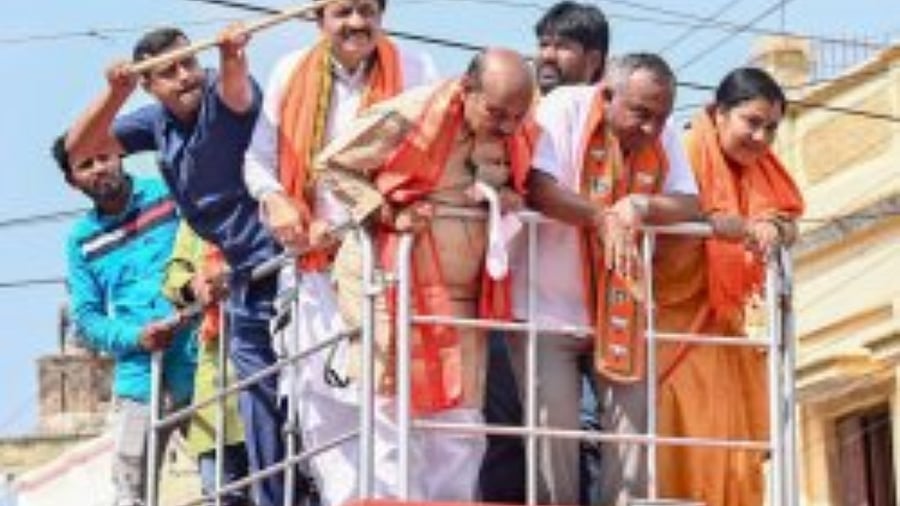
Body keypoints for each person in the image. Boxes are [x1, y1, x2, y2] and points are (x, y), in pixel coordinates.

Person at [61, 25, 293, 506]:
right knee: (258, 398)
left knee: (280, 393)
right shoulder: (153, 124)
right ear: (150, 86)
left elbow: (237, 92)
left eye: (190, 62)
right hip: (184, 330)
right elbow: (79, 147)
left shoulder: (218, 96)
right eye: (169, 71)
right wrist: (115, 91)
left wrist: (232, 57)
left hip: (275, 264)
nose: (187, 76)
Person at [241, 1, 438, 504]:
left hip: (388, 262)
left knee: (390, 398)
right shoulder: (290, 71)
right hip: (312, 266)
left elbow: (431, 162)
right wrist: (277, 199)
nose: (356, 23)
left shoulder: (417, 70)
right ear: (319, 18)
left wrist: (362, 218)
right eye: (343, 11)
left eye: (367, 10)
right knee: (320, 404)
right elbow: (257, 161)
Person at [316, 47, 534, 501]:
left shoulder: (514, 129)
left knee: (462, 416)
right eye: (498, 114)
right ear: (467, 90)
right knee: (394, 410)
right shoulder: (411, 115)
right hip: (391, 286)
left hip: (465, 295)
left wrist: (508, 194)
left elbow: (510, 177)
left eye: (518, 116)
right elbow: (332, 165)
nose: (509, 127)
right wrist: (386, 211)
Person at [513, 53, 700, 505]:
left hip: (623, 309)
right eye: (641, 114)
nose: (652, 129)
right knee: (551, 441)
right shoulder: (564, 107)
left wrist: (641, 205)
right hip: (545, 307)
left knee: (633, 441)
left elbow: (690, 203)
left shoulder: (662, 128)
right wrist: (601, 218)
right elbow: (538, 185)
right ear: (608, 95)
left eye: (661, 116)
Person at [654, 67, 804, 506]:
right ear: (718, 114)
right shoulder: (681, 153)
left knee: (733, 456)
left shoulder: (761, 168)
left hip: (724, 333)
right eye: (751, 122)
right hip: (671, 329)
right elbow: (662, 216)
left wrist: (774, 226)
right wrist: (714, 224)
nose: (761, 137)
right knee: (684, 446)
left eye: (771, 128)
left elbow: (789, 217)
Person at [480, 3, 610, 503]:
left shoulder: (604, 114)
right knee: (513, 431)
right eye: (543, 44)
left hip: (594, 306)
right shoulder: (515, 114)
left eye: (562, 46)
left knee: (590, 433)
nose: (547, 56)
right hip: (515, 297)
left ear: (594, 59)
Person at [53, 137, 196, 506]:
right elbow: (87, 318)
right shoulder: (81, 241)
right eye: (86, 165)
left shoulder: (167, 193)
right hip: (141, 370)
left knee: (225, 464)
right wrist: (136, 337)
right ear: (72, 181)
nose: (99, 168)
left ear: (120, 155)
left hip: (199, 352)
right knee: (130, 481)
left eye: (103, 156)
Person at [162, 222, 250, 506]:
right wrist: (193, 285)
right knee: (222, 495)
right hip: (217, 390)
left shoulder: (268, 193)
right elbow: (173, 277)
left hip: (272, 376)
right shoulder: (196, 213)